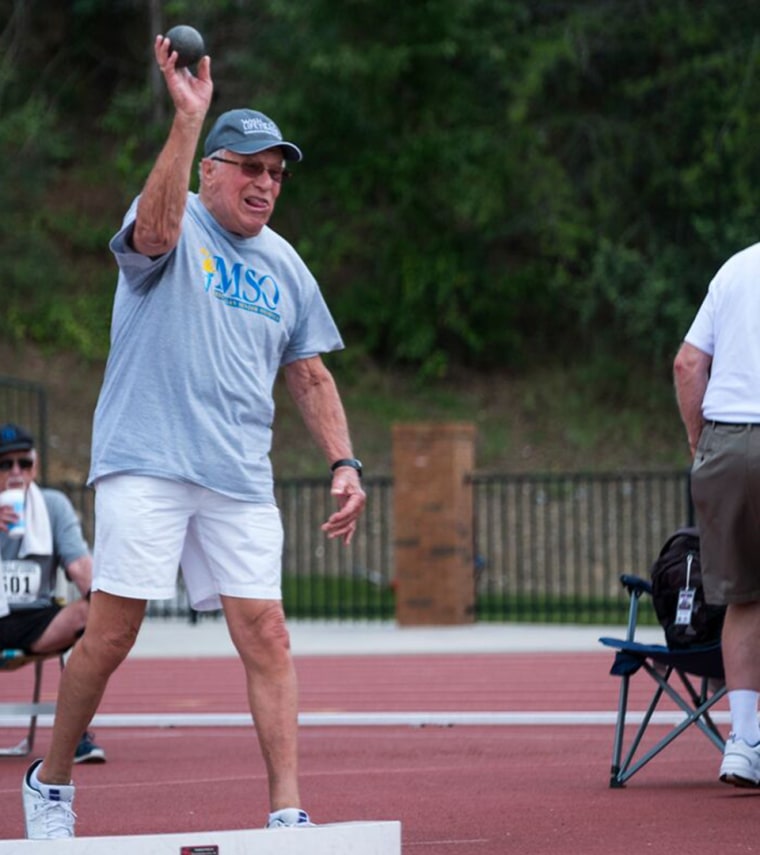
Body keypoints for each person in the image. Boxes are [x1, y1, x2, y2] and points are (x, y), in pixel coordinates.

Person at [21, 33, 365, 840]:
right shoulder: (172, 221)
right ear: (212, 169)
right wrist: (188, 119)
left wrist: (344, 461)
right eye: (249, 166)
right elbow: (155, 233)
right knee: (111, 631)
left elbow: (310, 375)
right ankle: (53, 779)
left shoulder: (286, 266)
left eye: (276, 172)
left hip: (238, 475)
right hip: (147, 459)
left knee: (268, 632)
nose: (265, 183)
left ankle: (287, 812)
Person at [674, 241, 760, 788]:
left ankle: (743, 742)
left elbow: (687, 363)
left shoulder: (735, 267)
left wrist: (699, 444)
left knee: (744, 597)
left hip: (727, 444)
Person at [0, 423, 105, 764]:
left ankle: (75, 735)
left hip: (35, 619)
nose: (16, 473)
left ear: (35, 466)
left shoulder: (52, 505)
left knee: (96, 610)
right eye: (5, 465)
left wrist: (104, 602)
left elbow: (80, 567)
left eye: (24, 464)